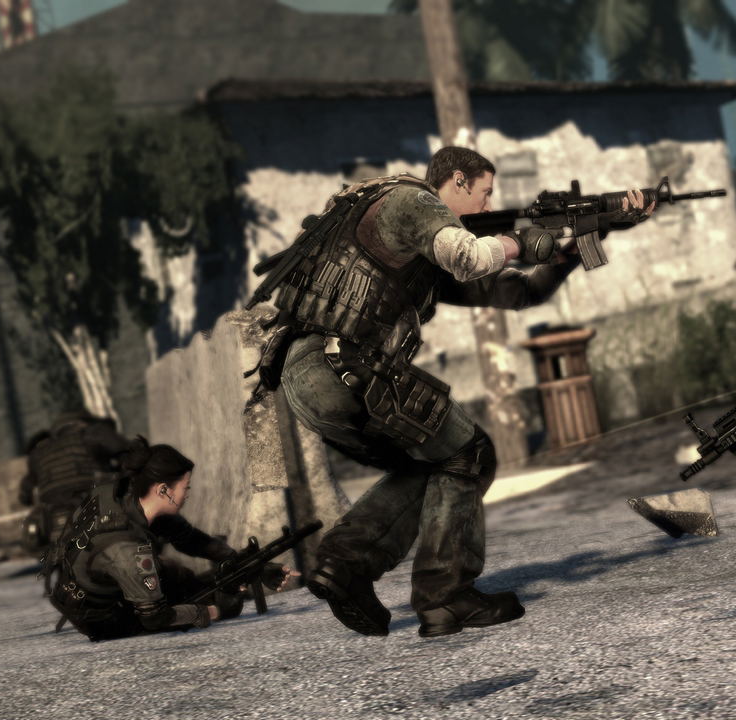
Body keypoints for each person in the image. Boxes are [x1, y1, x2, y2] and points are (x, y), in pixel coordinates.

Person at [246, 146, 653, 637]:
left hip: (309, 379)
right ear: (457, 180)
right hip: (346, 366)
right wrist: (521, 241)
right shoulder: (409, 201)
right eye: (484, 193)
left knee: (432, 462)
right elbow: (468, 255)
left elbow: (520, 292)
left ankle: (344, 565)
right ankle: (445, 597)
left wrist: (587, 237)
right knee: (470, 454)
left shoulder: (411, 246)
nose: (487, 206)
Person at [45, 438, 297, 641]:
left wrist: (253, 565)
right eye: (185, 487)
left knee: (183, 577)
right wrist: (213, 611)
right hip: (101, 617)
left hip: (86, 585)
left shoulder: (122, 495)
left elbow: (192, 540)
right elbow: (155, 617)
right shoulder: (128, 550)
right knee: (217, 604)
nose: (187, 494)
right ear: (163, 490)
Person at [18, 411, 131, 552]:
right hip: (92, 505)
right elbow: (129, 451)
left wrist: (27, 499)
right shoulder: (91, 434)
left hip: (54, 515)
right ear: (82, 423)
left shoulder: (40, 451)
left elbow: (25, 491)